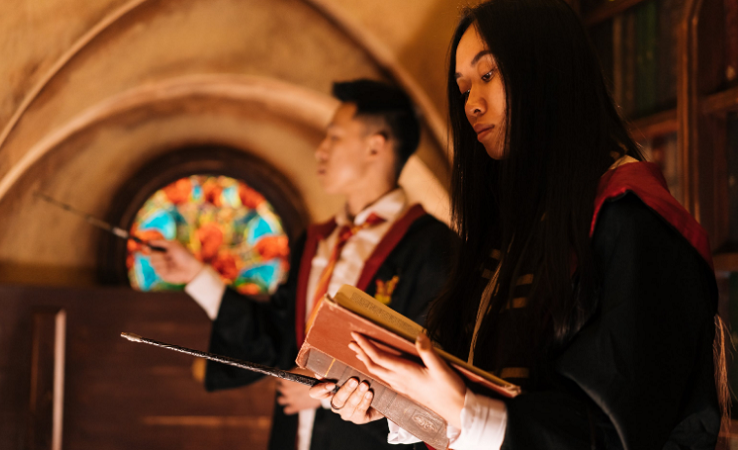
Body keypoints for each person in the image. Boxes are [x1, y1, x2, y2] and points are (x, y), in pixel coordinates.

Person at [309, 1, 726, 449]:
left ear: (548, 74)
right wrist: (401, 401)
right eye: (463, 87)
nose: (470, 105)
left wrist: (464, 411)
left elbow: (623, 429)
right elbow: (476, 387)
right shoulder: (512, 228)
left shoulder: (631, 218)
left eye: (487, 76)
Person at [148, 79, 455, 450]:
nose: (320, 151)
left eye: (334, 137)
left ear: (376, 146)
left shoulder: (432, 248)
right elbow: (273, 342)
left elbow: (427, 373)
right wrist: (196, 275)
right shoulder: (315, 242)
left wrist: (323, 392)